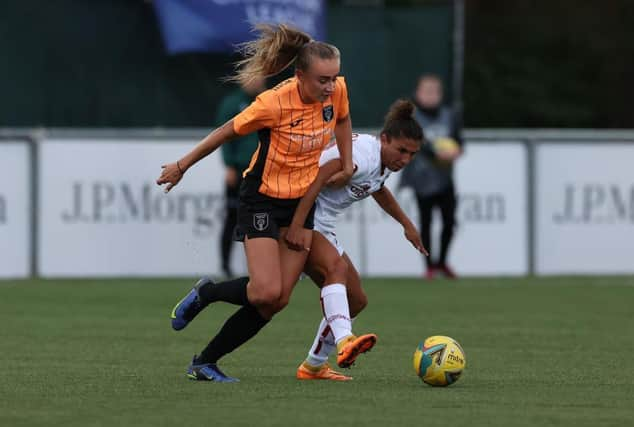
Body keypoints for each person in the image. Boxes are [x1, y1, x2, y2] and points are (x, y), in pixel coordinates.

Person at [157, 24, 376, 382]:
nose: (330, 86)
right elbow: (225, 131)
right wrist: (182, 165)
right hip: (261, 198)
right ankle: (208, 292)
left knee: (276, 301)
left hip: (300, 205)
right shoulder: (272, 103)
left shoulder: (336, 92)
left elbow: (344, 118)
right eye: (322, 79)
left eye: (334, 78)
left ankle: (204, 362)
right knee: (265, 291)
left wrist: (348, 162)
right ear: (300, 74)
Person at [285, 99, 428, 380]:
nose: (406, 160)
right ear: (383, 139)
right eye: (402, 151)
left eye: (412, 154)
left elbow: (378, 189)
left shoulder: (382, 162)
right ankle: (344, 341)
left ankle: (314, 365)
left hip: (321, 226)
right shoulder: (362, 156)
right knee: (269, 296)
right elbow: (315, 178)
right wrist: (297, 224)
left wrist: (407, 225)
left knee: (356, 299)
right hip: (301, 219)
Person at [399, 74, 463, 280]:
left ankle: (442, 262)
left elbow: (458, 140)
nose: (431, 95)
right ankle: (429, 266)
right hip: (422, 178)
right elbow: (416, 143)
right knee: (425, 222)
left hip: (445, 178)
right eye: (426, 91)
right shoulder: (413, 117)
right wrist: (436, 154)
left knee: (449, 221)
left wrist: (456, 151)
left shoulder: (449, 115)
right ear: (418, 93)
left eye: (435, 91)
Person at [216, 77, 266, 278]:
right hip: (239, 170)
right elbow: (223, 135)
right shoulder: (232, 103)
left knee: (264, 219)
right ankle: (225, 265)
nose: (256, 81)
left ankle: (264, 267)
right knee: (232, 217)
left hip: (264, 171)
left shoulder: (268, 100)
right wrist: (229, 165)